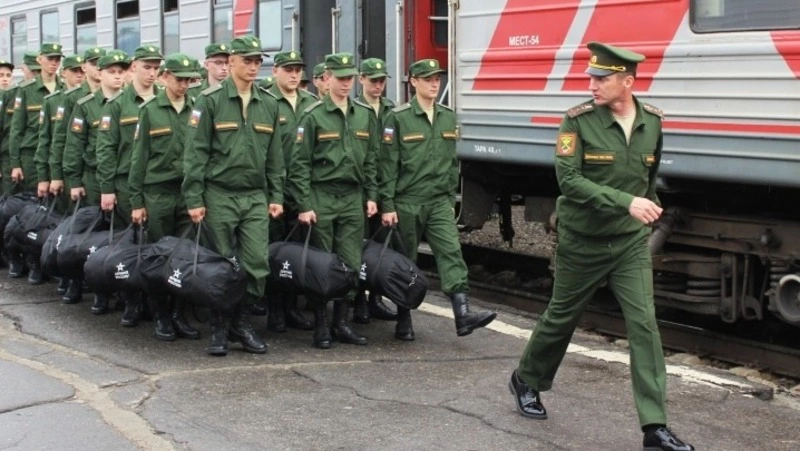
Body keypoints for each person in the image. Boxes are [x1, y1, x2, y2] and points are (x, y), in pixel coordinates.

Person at [508, 42, 694, 451]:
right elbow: (569, 182)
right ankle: (527, 378)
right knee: (562, 317)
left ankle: (654, 427)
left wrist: (645, 205)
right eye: (591, 76)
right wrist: (627, 203)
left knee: (644, 324)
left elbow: (648, 176)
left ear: (628, 82)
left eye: (602, 78)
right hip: (583, 241)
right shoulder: (577, 122)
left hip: (628, 243)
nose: (591, 84)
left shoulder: (653, 122)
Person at [379, 59, 496, 341]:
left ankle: (462, 313)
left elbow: (451, 160)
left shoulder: (447, 116)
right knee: (407, 261)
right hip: (408, 201)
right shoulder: (398, 118)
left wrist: (448, 194)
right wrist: (388, 204)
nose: (435, 83)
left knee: (451, 252)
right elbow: (388, 165)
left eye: (437, 78)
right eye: (428, 78)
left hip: (439, 201)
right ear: (413, 82)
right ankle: (403, 318)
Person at [183, 35, 284, 356]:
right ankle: (219, 328)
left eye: (258, 61)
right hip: (219, 194)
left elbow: (275, 157)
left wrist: (275, 195)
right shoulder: (210, 102)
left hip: (254, 195)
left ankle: (242, 323)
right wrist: (195, 198)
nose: (255, 67)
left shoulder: (268, 103)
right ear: (232, 62)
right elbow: (195, 153)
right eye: (248, 61)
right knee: (222, 264)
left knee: (256, 263)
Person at [289, 52, 378, 349]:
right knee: (323, 263)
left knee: (351, 261)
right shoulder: (313, 116)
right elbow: (299, 164)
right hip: (321, 195)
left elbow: (371, 161)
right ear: (327, 78)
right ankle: (321, 324)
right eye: (340, 78)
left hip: (352, 196)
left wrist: (372, 196)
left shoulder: (364, 114)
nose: (345, 84)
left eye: (349, 78)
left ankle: (342, 322)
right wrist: (304, 204)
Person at [130, 53, 201, 342]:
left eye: (188, 80)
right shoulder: (150, 110)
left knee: (184, 256)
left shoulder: (197, 109)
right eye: (178, 79)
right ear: (165, 78)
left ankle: (178, 313)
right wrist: (137, 201)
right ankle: (161, 314)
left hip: (187, 194)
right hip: (158, 193)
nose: (184, 85)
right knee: (160, 255)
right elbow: (139, 158)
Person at [95, 45, 162, 325]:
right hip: (125, 185)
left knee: (158, 246)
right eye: (146, 66)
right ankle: (132, 301)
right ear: (134, 67)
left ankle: (160, 306)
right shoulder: (118, 105)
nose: (151, 72)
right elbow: (107, 149)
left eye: (156, 67)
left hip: (158, 185)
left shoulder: (163, 100)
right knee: (130, 246)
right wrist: (107, 189)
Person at [63, 50, 129, 314]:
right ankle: (84, 285)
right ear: (99, 74)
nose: (117, 77)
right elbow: (73, 145)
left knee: (119, 237)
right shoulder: (86, 105)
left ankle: (120, 288)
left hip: (119, 180)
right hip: (91, 179)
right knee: (89, 236)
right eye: (111, 72)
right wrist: (73, 180)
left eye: (121, 72)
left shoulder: (131, 104)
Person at [260, 50, 317, 332]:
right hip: (274, 190)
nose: (294, 75)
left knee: (295, 253)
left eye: (298, 70)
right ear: (275, 72)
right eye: (288, 70)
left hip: (301, 190)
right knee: (273, 251)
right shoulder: (265, 101)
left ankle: (291, 306)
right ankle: (274, 310)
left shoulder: (311, 103)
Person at [8, 42, 65, 282]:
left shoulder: (64, 89)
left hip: (58, 159)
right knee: (34, 214)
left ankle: (50, 260)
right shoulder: (28, 90)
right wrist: (16, 162)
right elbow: (16, 129)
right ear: (40, 60)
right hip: (33, 157)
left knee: (55, 214)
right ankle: (31, 262)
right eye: (50, 58)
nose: (54, 63)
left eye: (57, 59)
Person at [352, 57, 397, 325]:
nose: (378, 86)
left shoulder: (391, 110)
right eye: (373, 81)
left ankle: (375, 299)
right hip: (362, 186)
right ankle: (358, 301)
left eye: (382, 81)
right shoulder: (355, 109)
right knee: (359, 245)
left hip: (386, 184)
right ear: (362, 80)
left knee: (380, 245)